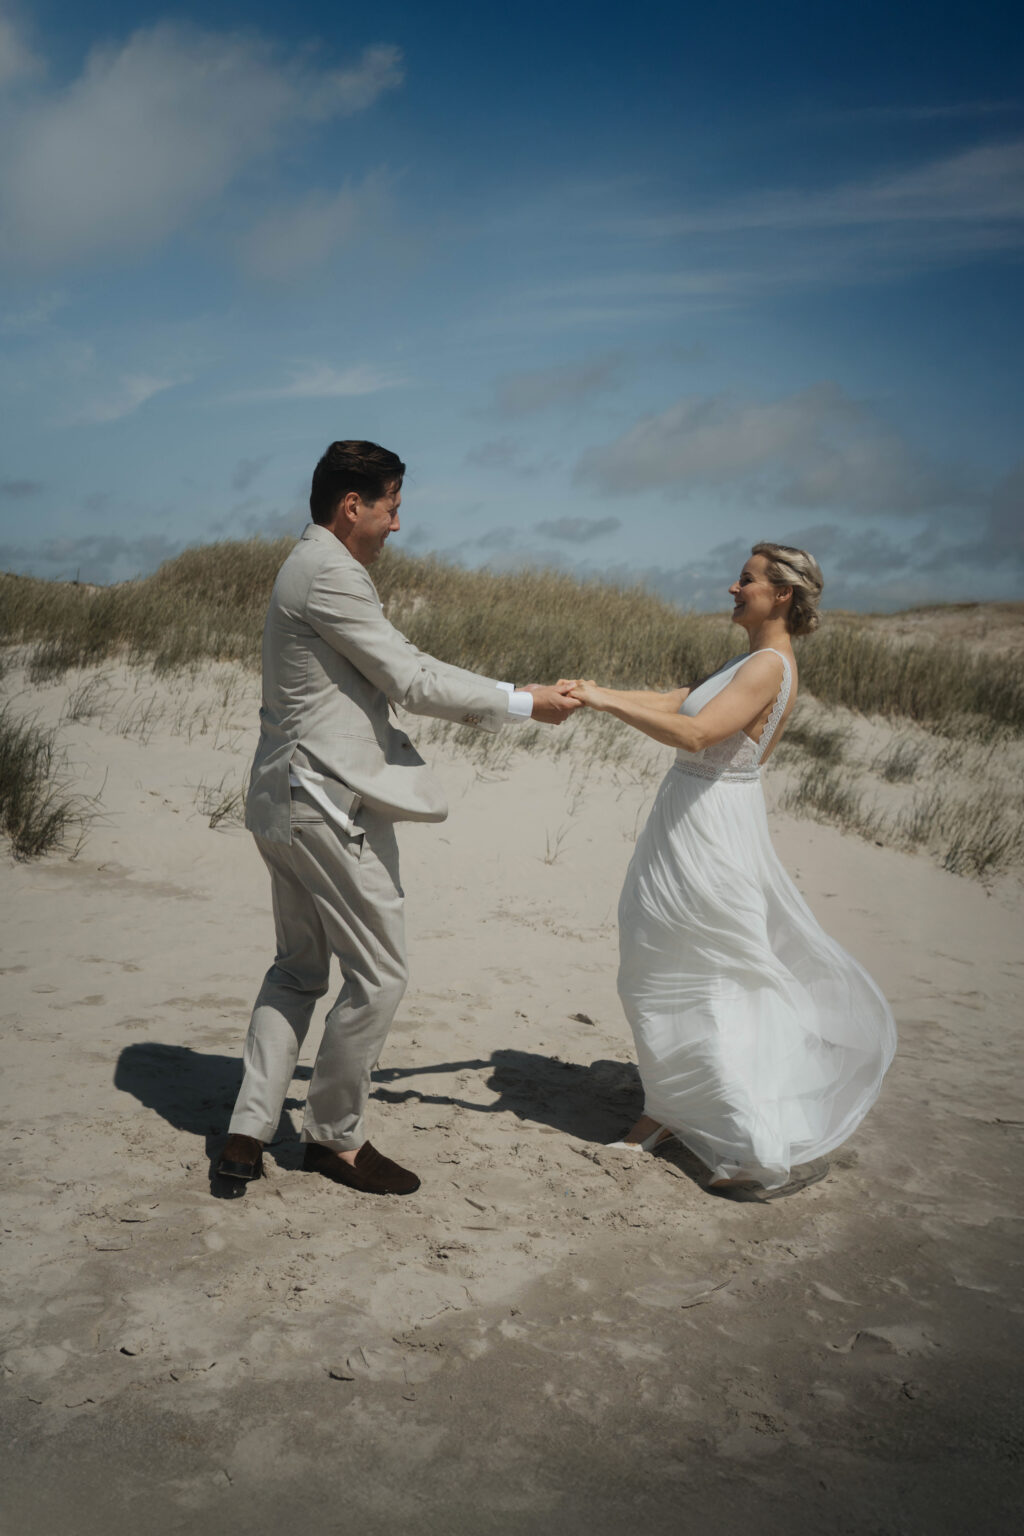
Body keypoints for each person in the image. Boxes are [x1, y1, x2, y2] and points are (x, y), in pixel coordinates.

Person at [219, 440, 579, 1195]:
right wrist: (524, 701)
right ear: (354, 507)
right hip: (323, 803)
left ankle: (249, 1131)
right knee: (379, 975)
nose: (398, 524)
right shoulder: (329, 572)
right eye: (392, 507)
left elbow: (398, 661)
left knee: (297, 970)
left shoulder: (309, 566)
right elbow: (410, 679)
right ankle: (334, 1138)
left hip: (281, 799)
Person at [567, 543, 896, 1200]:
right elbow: (677, 701)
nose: (731, 588)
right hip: (684, 822)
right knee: (655, 963)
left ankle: (750, 1136)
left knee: (711, 974)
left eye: (746, 580)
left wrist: (603, 703)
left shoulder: (770, 666)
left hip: (712, 830)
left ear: (782, 596)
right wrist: (587, 691)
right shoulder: (748, 661)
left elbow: (696, 735)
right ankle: (664, 1109)